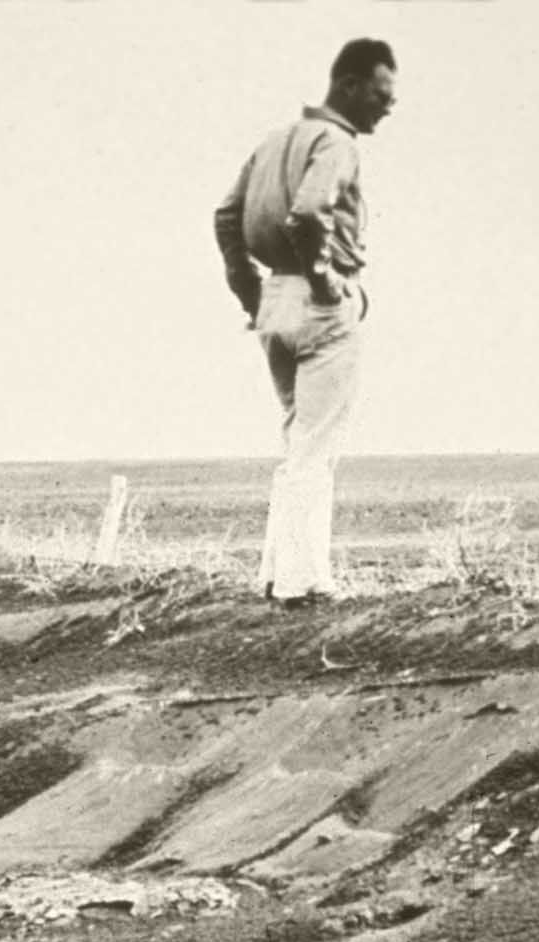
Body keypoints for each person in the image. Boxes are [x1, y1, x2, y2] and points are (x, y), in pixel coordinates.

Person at [213, 39, 399, 608]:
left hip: (275, 298)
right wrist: (324, 279)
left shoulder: (273, 142)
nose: (387, 106)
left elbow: (226, 218)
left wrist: (251, 293)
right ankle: (303, 584)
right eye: (380, 93)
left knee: (297, 441)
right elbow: (309, 213)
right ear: (348, 86)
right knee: (316, 448)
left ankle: (276, 575)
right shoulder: (337, 143)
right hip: (319, 301)